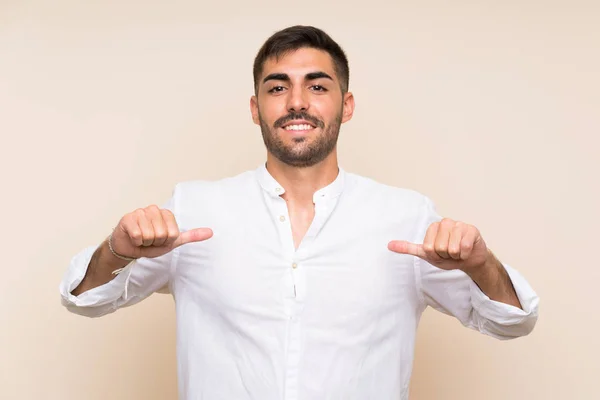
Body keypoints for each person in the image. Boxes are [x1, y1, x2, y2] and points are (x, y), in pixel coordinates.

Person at [59, 25, 539, 400]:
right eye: (277, 88)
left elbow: (512, 321)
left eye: (317, 86)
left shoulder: (405, 216)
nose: (296, 103)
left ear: (345, 105)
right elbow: (85, 299)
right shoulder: (194, 209)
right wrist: (116, 250)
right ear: (256, 107)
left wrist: (480, 263)